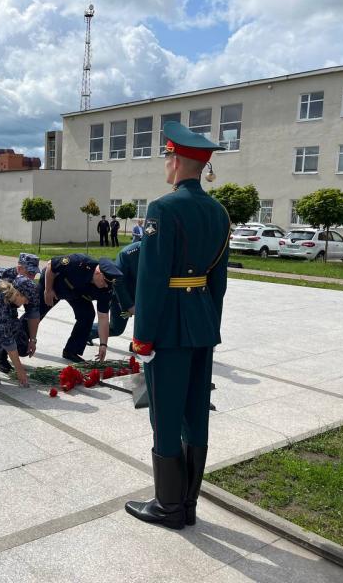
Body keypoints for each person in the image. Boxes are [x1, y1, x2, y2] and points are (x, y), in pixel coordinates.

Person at [124, 121, 230, 531]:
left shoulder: (163, 208)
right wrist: (209, 325)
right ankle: (187, 504)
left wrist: (142, 336)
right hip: (202, 323)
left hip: (167, 326)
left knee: (165, 415)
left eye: (167, 156)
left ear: (178, 160)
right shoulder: (218, 211)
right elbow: (218, 281)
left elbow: (151, 280)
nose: (165, 163)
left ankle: (168, 507)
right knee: (194, 414)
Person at [35, 254, 123, 362]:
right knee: (36, 313)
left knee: (87, 315)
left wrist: (103, 345)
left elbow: (103, 317)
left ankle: (71, 351)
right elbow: (51, 266)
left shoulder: (106, 289)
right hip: (54, 284)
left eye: (109, 285)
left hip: (76, 294)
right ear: (98, 273)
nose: (106, 286)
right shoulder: (78, 262)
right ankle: (17, 341)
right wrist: (48, 290)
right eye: (105, 282)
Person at [0, 253, 41, 373]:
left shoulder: (29, 286)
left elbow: (33, 314)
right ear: (20, 268)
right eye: (30, 273)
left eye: (34, 274)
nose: (32, 278)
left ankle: (3, 350)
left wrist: (33, 340)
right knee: (2, 330)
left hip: (9, 317)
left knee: (22, 347)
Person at [88, 241, 140, 344]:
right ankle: (86, 332)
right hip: (122, 299)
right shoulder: (128, 253)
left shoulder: (159, 252)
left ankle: (138, 344)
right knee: (115, 328)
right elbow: (117, 282)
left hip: (143, 298)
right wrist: (129, 306)